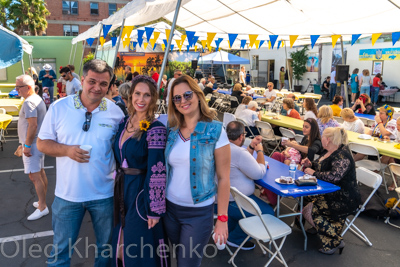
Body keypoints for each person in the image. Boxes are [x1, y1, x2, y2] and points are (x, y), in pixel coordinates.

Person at [37, 59, 125, 266]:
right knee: (60, 253)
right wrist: (66, 150)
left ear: (110, 85)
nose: (97, 88)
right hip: (68, 196)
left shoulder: (116, 113)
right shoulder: (59, 107)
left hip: (105, 195)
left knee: (106, 251)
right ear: (82, 79)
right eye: (92, 81)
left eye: (104, 84)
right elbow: (42, 144)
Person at [165, 75, 230, 267]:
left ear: (198, 94)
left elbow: (224, 178)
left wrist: (222, 218)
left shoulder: (216, 131)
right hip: (170, 210)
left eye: (187, 95)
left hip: (198, 213)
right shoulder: (172, 130)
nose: (183, 101)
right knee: (179, 258)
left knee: (187, 263)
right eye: (177, 98)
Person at [112, 75, 168, 266]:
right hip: (120, 190)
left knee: (137, 246)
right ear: (131, 94)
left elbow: (157, 170)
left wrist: (154, 208)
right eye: (137, 93)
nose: (141, 100)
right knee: (118, 245)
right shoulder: (123, 122)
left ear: (153, 98)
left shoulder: (156, 129)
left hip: (140, 193)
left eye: (147, 95)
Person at [301, 127, 361, 254]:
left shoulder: (342, 155)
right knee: (304, 199)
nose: (320, 138)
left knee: (312, 210)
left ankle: (334, 241)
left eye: (322, 136)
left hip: (342, 197)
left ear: (327, 140)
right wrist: (310, 164)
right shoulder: (329, 150)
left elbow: (334, 177)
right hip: (330, 192)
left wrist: (314, 173)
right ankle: (321, 228)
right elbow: (321, 166)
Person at [223, 121, 274, 249]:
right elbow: (259, 173)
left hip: (221, 199)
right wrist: (260, 151)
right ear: (241, 136)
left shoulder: (223, 147)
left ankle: (230, 230)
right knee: (269, 214)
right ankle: (236, 238)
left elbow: (242, 160)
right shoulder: (239, 153)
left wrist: (251, 146)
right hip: (234, 202)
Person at [16, 75, 48, 221]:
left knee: (34, 176)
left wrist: (26, 145)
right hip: (37, 143)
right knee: (40, 173)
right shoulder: (36, 98)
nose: (17, 91)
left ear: (28, 87)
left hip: (33, 145)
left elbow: (33, 125)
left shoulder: (29, 102)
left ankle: (42, 207)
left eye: (19, 87)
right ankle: (42, 203)